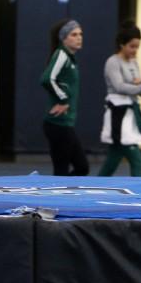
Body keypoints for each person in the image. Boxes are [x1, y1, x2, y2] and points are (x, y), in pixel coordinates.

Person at [99, 23, 141, 177]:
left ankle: (97, 184)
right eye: (132, 46)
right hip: (118, 113)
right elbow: (119, 87)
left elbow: (138, 88)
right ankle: (138, 189)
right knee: (136, 159)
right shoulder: (113, 62)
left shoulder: (133, 62)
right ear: (122, 44)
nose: (135, 51)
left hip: (130, 110)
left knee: (113, 159)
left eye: (137, 47)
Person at [40, 19, 88, 176]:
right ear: (63, 38)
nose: (79, 37)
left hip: (66, 124)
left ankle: (61, 193)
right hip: (57, 123)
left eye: (80, 34)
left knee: (82, 167)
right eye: (74, 34)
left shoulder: (70, 58)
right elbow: (47, 78)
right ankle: (55, 196)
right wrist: (63, 100)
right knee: (61, 172)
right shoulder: (61, 54)